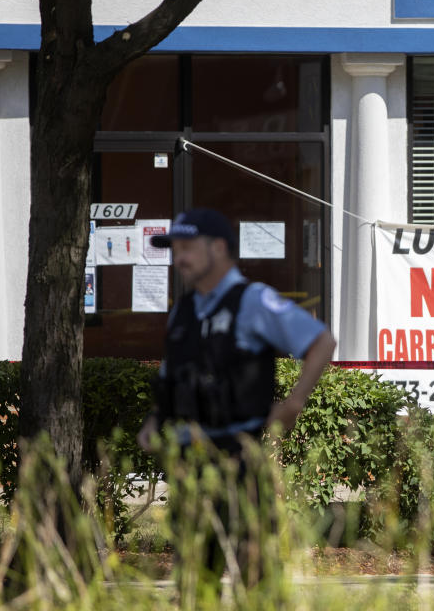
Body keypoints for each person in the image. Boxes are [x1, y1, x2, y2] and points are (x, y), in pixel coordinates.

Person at [135, 207, 335, 591]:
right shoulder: (182, 311)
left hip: (238, 458)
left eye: (188, 247)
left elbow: (321, 341)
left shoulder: (253, 300)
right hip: (188, 460)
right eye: (175, 249)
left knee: (256, 579)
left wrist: (293, 404)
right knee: (194, 581)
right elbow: (172, 377)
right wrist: (154, 420)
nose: (180, 258)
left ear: (220, 248)